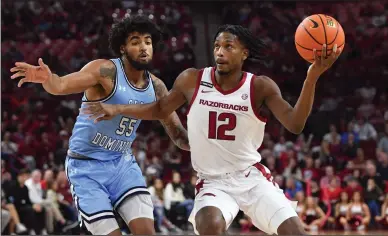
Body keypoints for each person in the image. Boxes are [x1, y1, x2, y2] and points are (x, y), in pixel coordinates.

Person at [82, 24, 341, 235]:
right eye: (217, 46)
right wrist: (117, 109)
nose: (220, 51)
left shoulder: (260, 86)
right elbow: (160, 109)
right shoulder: (192, 79)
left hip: (251, 178)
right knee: (209, 226)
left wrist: (312, 76)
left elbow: (295, 124)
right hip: (213, 182)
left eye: (229, 46)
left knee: (295, 232)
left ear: (244, 53)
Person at [10, 15, 189, 236]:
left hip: (122, 164)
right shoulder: (106, 72)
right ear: (122, 48)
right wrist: (49, 79)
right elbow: (62, 85)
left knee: (146, 232)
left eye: (148, 41)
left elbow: (179, 135)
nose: (143, 47)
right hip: (86, 168)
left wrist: (209, 145)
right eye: (135, 41)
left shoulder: (157, 87)